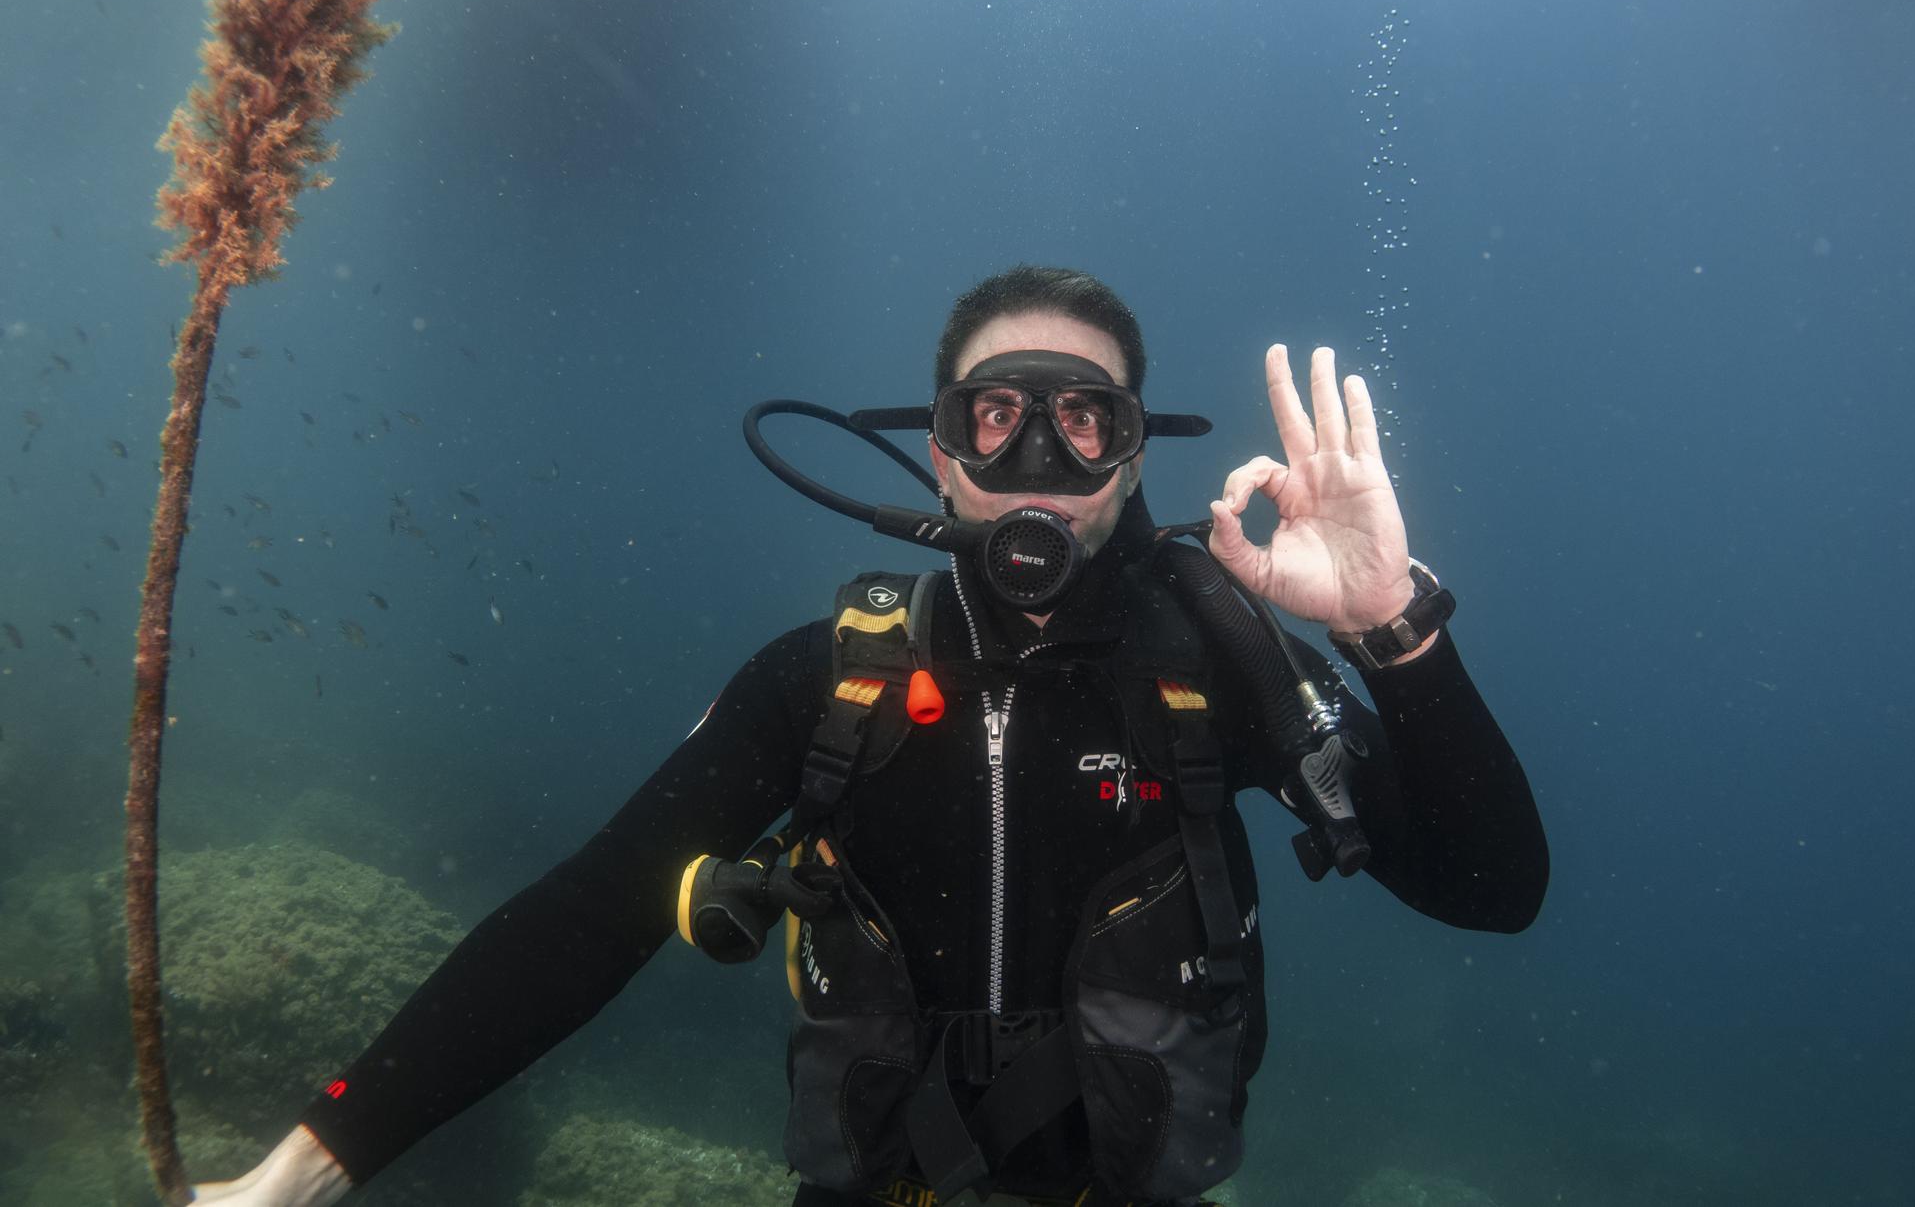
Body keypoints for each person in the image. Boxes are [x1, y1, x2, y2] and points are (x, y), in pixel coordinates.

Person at [194, 266, 1548, 1206]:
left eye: (1086, 422)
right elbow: (590, 913)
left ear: (1134, 459)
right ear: (943, 453)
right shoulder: (827, 682)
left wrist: (1393, 627)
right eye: (996, 416)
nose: (1037, 464)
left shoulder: (1218, 662)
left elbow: (1494, 889)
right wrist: (323, 1151)